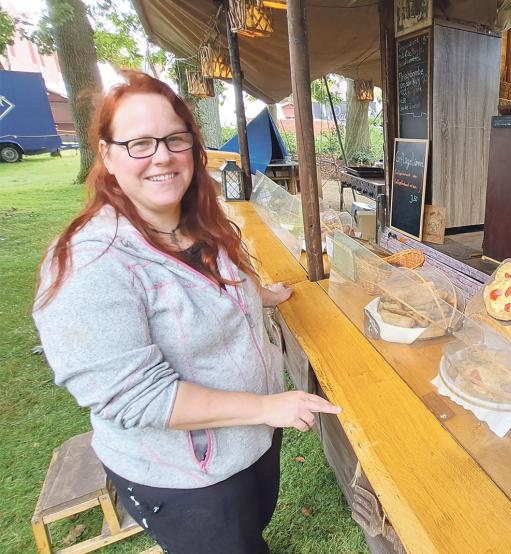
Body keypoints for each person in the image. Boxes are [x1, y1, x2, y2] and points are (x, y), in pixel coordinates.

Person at [33, 71, 340, 553]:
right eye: (139, 143)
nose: (161, 155)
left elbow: (201, 287)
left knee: (248, 533)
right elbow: (136, 398)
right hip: (185, 477)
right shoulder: (88, 262)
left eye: (175, 139)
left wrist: (257, 293)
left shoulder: (193, 222)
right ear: (107, 156)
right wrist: (266, 407)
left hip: (246, 445)